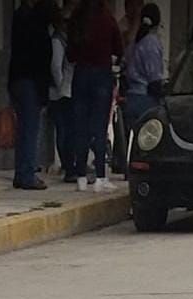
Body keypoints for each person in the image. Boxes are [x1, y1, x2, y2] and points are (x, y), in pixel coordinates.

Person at [68, 0, 124, 193]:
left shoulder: (77, 18)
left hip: (81, 75)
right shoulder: (107, 19)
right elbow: (119, 49)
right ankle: (100, 176)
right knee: (99, 127)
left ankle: (81, 177)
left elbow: (70, 54)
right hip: (101, 76)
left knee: (80, 127)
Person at [8, 0, 57, 190]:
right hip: (31, 83)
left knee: (24, 130)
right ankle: (27, 174)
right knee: (30, 130)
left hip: (18, 80)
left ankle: (22, 172)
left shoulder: (20, 16)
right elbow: (41, 60)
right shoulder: (37, 25)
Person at [49, 0, 78, 183]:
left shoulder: (68, 40)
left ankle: (70, 164)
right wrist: (61, 87)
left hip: (68, 91)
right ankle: (68, 166)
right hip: (61, 93)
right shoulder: (57, 41)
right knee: (64, 131)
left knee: (68, 131)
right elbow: (55, 67)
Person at [125, 3, 164, 128]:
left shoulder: (135, 42)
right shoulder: (151, 43)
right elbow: (154, 81)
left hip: (131, 97)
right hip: (146, 100)